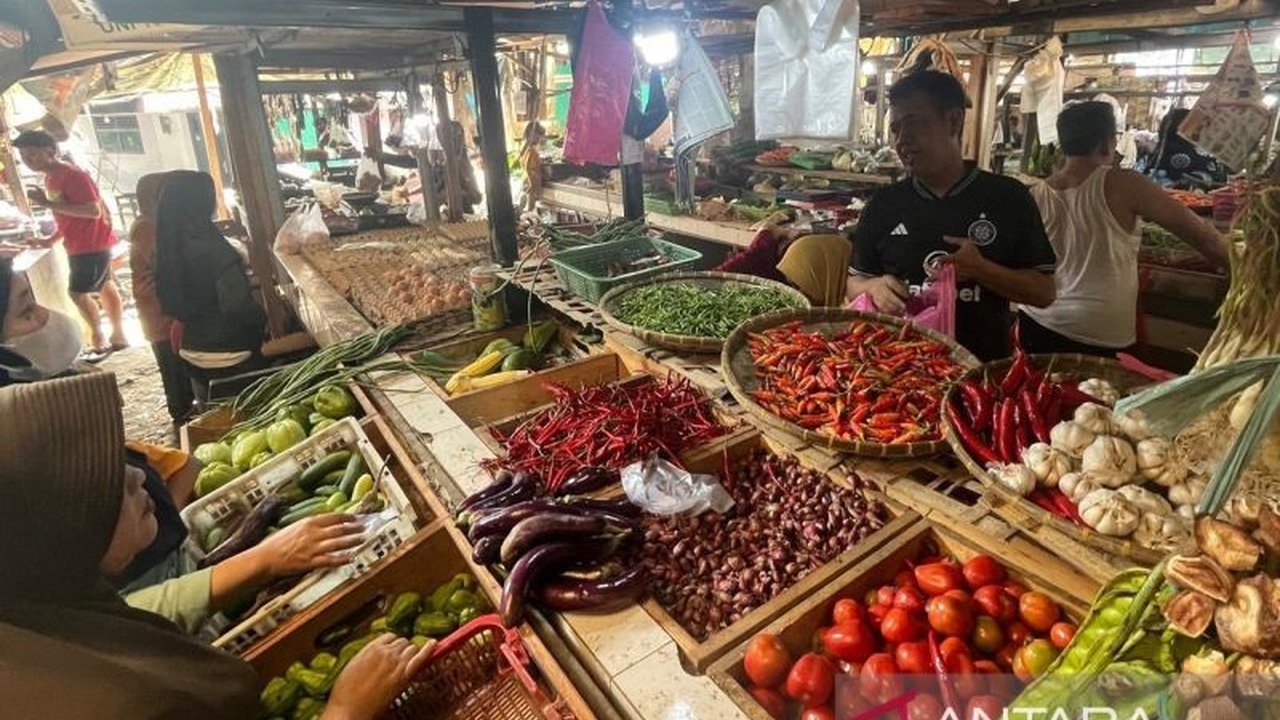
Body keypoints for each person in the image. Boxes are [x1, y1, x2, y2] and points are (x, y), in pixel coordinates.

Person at [0, 373, 432, 719]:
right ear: (56, 529)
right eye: (107, 483)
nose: (138, 475)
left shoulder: (46, 612)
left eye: (124, 459)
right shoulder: (115, 702)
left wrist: (264, 559)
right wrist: (345, 710)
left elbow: (142, 611)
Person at [846, 70, 1057, 361]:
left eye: (914, 124)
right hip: (898, 370)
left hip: (982, 371)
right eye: (896, 129)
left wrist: (981, 269)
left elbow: (1044, 293)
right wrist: (874, 286)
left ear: (954, 121)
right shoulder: (884, 204)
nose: (902, 140)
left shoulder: (1008, 197)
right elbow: (854, 284)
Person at [1021, 101, 1230, 357]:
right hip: (1097, 330)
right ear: (1108, 141)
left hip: (1037, 321)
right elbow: (1204, 238)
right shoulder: (1124, 183)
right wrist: (1251, 271)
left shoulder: (1035, 194)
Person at [12, 129, 127, 360]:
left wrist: (46, 203)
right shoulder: (50, 177)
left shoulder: (73, 175)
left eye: (33, 155)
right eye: (24, 157)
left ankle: (99, 337)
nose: (28, 161)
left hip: (91, 244)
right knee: (105, 286)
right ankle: (117, 336)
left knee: (77, 293)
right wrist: (49, 239)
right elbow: (66, 219)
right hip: (81, 244)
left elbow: (92, 211)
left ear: (51, 151)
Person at [155, 170, 267, 388]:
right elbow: (238, 306)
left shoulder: (168, 244)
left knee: (216, 405)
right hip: (228, 352)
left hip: (190, 349)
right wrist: (263, 319)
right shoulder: (212, 249)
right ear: (199, 203)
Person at [130, 171, 195, 424]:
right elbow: (164, 264)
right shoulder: (147, 227)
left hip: (161, 307)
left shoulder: (153, 223)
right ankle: (181, 414)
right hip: (158, 310)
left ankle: (184, 408)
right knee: (171, 364)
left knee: (175, 361)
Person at [1149, 107, 1227, 189]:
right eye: (1194, 124)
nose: (1199, 128)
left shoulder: (1168, 148)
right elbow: (1205, 175)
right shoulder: (1177, 151)